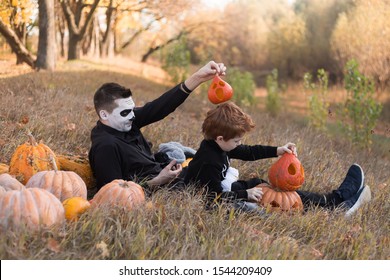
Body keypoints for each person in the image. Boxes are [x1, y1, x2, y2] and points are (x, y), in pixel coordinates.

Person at [184, 102, 371, 217]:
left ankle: (337, 198)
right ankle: (335, 204)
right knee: (277, 199)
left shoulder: (218, 146)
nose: (239, 144)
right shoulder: (209, 161)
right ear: (220, 139)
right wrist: (245, 194)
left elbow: (248, 152)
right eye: (237, 140)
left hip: (225, 187)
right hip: (217, 196)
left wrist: (278, 150)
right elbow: (212, 197)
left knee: (266, 187)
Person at [88, 61, 226, 197]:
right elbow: (114, 196)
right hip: (165, 190)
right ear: (104, 114)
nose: (132, 115)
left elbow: (160, 107)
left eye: (132, 109)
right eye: (125, 112)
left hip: (171, 177)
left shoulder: (123, 120)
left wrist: (199, 77)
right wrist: (159, 180)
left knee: (215, 164)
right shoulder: (106, 147)